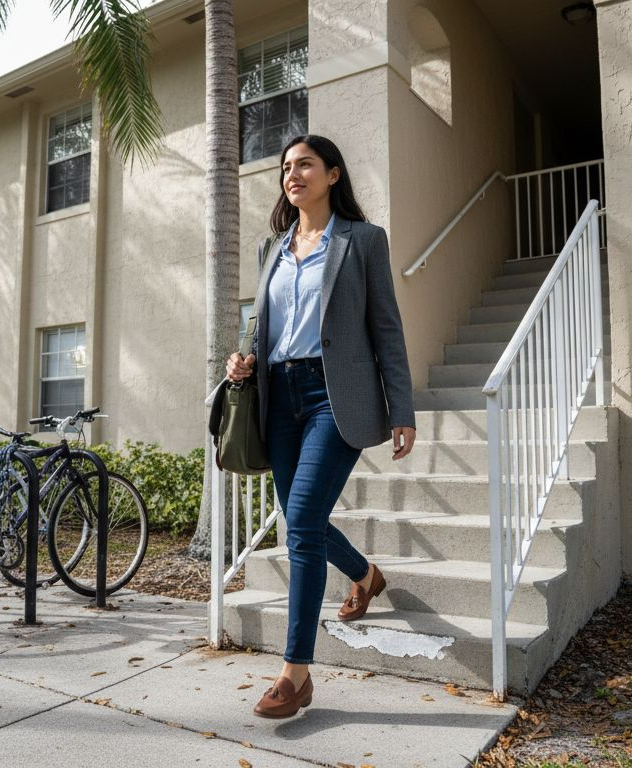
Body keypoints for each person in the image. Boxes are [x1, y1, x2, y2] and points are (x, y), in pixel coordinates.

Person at [225, 134, 416, 719]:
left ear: (333, 174)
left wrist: (402, 407)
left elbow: (385, 327)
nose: (293, 173)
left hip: (337, 397)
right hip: (278, 396)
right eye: (286, 166)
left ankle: (295, 673)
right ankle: (365, 573)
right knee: (298, 518)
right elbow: (263, 325)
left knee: (302, 519)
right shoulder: (272, 249)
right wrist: (240, 358)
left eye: (305, 164)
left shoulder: (362, 241)